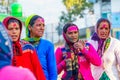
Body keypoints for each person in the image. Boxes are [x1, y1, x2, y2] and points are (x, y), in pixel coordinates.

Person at [23, 14, 57, 80]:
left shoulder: (48, 45)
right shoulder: (21, 45)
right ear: (29, 27)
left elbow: (52, 71)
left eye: (43, 25)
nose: (42, 28)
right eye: (38, 25)